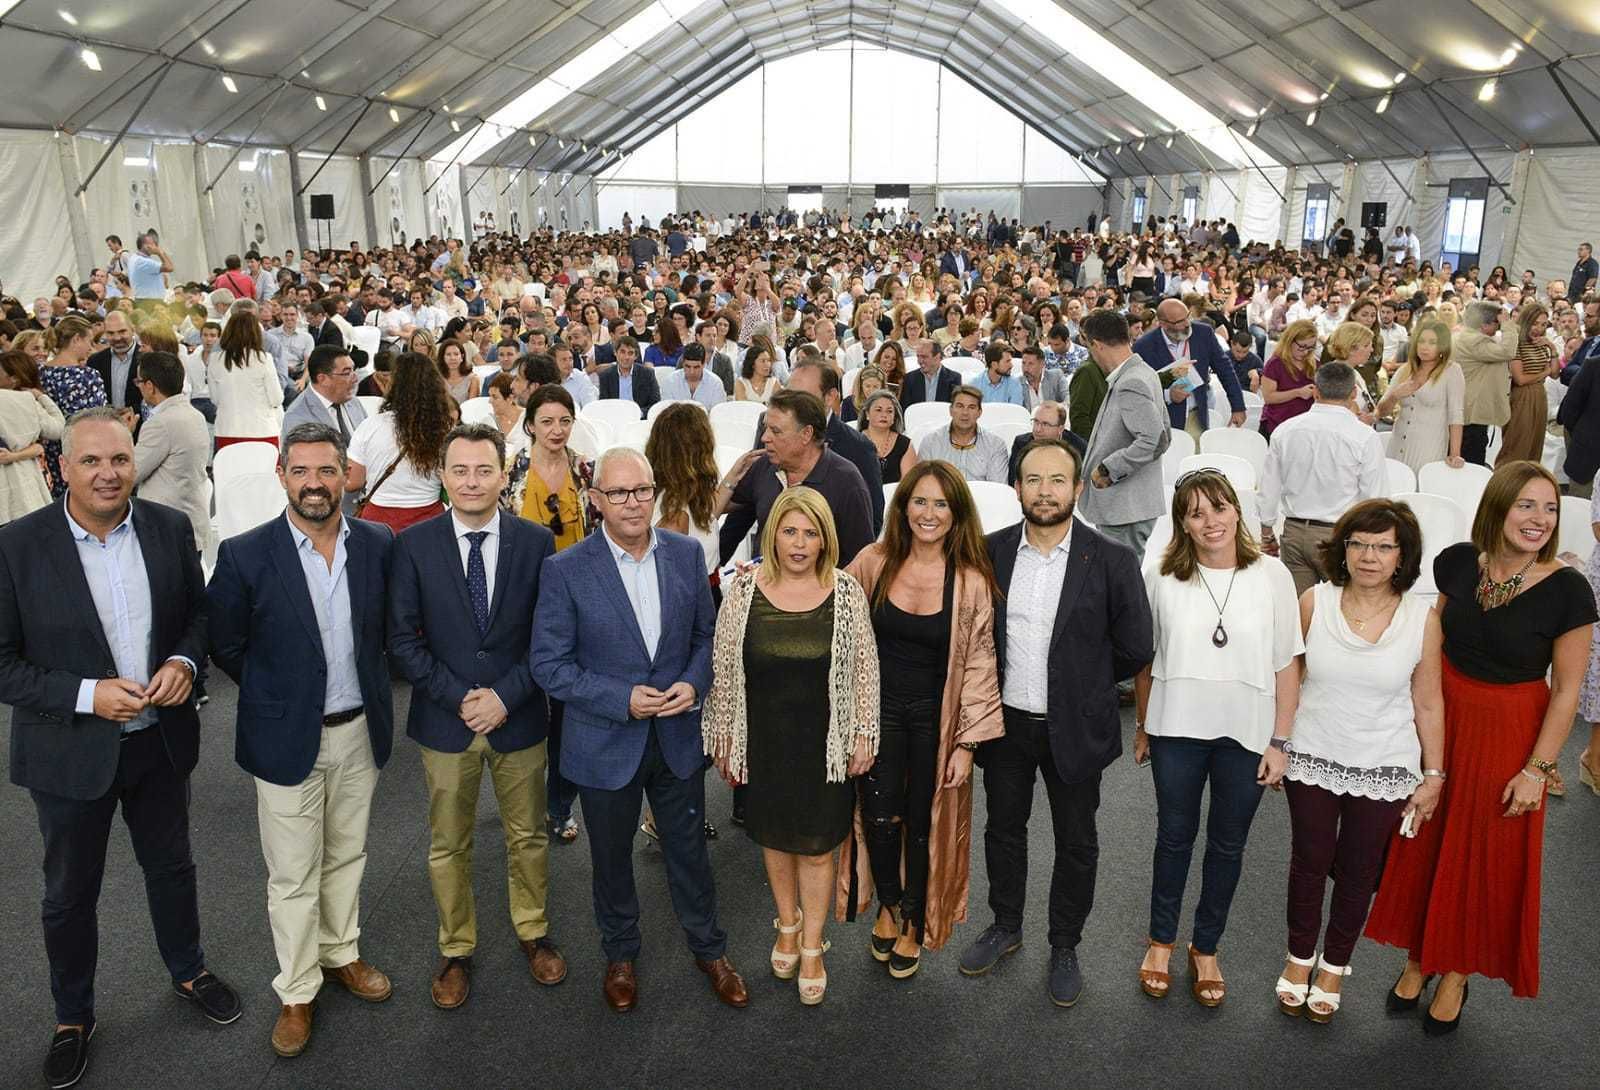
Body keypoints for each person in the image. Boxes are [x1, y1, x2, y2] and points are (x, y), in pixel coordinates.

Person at [0, 407, 239, 1089]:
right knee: (69, 893)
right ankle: (72, 1016)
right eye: (91, 461)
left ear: (136, 462)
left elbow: (198, 618)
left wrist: (186, 665)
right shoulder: (15, 547)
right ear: (62, 466)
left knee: (172, 866)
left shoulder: (167, 528)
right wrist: (86, 695)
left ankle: (188, 970)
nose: (108, 474)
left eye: (120, 460)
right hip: (69, 754)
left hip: (159, 742)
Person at [1365, 461, 1596, 1031]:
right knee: (1426, 841)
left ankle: (1459, 971)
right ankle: (1419, 956)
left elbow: (1566, 690)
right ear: (1498, 506)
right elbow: (1432, 640)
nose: (1539, 519)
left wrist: (1539, 769)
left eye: (1549, 508)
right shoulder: (1460, 564)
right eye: (1526, 505)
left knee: (1485, 856)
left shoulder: (1569, 590)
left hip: (1510, 731)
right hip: (1444, 715)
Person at [530, 448, 749, 1014]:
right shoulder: (564, 570)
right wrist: (620, 698)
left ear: (656, 492)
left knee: (690, 855)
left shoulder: (684, 554)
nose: (633, 503)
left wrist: (694, 684)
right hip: (604, 743)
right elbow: (549, 666)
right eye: (619, 493)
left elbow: (707, 637)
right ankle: (620, 954)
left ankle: (710, 950)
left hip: (677, 739)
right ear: (596, 500)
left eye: (643, 490)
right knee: (610, 859)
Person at [207, 422, 397, 1058]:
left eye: (326, 471)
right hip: (286, 737)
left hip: (358, 731)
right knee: (291, 873)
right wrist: (276, 694)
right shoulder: (245, 554)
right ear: (282, 475)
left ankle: (342, 953)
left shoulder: (376, 543)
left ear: (346, 474)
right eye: (301, 471)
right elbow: (226, 643)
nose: (314, 484)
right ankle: (296, 988)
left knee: (348, 854)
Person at [957, 437, 1152, 1006]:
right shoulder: (987, 551)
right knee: (1002, 831)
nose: (1045, 491)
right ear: (1017, 487)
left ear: (1077, 487)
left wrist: (1084, 684)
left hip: (1077, 726)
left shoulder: (1112, 559)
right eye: (1034, 480)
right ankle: (1006, 926)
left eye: (1057, 480)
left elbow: (1134, 645)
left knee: (1077, 842)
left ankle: (1065, 943)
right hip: (1006, 726)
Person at [387, 423, 566, 1009]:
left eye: (484, 470)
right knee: (448, 843)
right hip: (446, 720)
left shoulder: (536, 542)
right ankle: (456, 948)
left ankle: (533, 933)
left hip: (517, 717)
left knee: (529, 836)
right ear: (441, 475)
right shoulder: (412, 545)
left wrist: (504, 698)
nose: (471, 481)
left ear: (502, 472)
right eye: (459, 470)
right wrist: (462, 696)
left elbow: (548, 638)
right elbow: (403, 641)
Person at [1133, 468, 1302, 1008]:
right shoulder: (1159, 572)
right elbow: (1146, 658)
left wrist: (1281, 741)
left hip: (1248, 732)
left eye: (1219, 507)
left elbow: (1287, 665)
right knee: (1174, 838)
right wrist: (1141, 725)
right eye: (1196, 511)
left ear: (1237, 510)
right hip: (1175, 725)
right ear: (1181, 521)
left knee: (1228, 845)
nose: (1211, 521)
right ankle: (1160, 941)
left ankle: (1205, 947)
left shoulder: (1273, 574)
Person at [703, 489, 879, 1004]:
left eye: (810, 533)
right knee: (774, 839)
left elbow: (866, 669)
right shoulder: (742, 590)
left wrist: (864, 731)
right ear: (772, 533)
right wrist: (723, 732)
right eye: (789, 531)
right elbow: (722, 668)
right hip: (763, 740)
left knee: (820, 847)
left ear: (826, 539)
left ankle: (812, 944)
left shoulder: (846, 592)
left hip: (825, 743)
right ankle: (786, 922)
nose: (799, 544)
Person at [1274, 499, 1444, 1023]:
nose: (1370, 555)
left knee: (1358, 870)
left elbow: (1428, 699)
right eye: (1359, 543)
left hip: (1386, 762)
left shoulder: (1423, 618)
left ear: (1402, 556)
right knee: (1310, 861)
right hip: (1314, 753)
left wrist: (1434, 774)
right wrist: (1278, 744)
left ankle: (1333, 968)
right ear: (1343, 549)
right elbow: (1289, 681)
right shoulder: (1313, 602)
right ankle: (1299, 958)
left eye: (1384, 546)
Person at [835, 462, 1003, 978]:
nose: (929, 514)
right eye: (920, 502)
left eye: (941, 504)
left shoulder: (971, 581)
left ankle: (914, 920)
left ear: (956, 514)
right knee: (880, 819)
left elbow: (979, 662)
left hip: (939, 720)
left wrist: (966, 746)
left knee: (925, 826)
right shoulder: (873, 561)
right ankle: (888, 906)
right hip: (876, 715)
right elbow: (832, 617)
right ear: (903, 505)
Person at [1259, 362, 1387, 595]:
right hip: (1341, 535)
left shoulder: (1285, 430)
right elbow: (1375, 500)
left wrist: (1266, 532)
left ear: (1316, 391)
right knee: (1340, 615)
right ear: (1354, 393)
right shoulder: (1364, 436)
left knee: (1297, 619)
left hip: (1295, 532)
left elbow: (1268, 488)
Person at [718, 389, 876, 567]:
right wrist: (732, 477)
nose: (764, 438)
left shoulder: (847, 481)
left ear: (806, 434)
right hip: (763, 586)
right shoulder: (764, 466)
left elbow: (861, 561)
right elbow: (713, 512)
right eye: (765, 428)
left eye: (775, 431)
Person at [1078, 308, 1170, 556]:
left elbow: (1155, 440)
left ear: (1095, 344)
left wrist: (1108, 469)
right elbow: (1164, 435)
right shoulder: (1143, 373)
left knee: (1119, 587)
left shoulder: (1132, 380)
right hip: (1127, 507)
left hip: (1124, 508)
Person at [346, 350, 452, 531]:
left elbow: (353, 482)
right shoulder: (445, 430)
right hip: (429, 520)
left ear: (394, 385)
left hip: (378, 522)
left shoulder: (370, 426)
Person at [130, 351, 211, 551]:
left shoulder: (160, 423)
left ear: (150, 386)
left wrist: (125, 435)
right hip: (191, 520)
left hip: (165, 527)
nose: (138, 387)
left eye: (139, 382)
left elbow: (131, 473)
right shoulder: (195, 414)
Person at [1135, 298, 1246, 438]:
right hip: (1162, 422)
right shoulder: (1144, 347)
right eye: (1179, 322)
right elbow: (1139, 390)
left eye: (1187, 316)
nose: (1187, 323)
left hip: (1196, 416)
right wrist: (1168, 395)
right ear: (1163, 324)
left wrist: (1238, 407)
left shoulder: (1203, 333)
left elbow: (1225, 370)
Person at [1378, 321, 1464, 476]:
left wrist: (1455, 453)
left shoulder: (1452, 371)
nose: (1424, 347)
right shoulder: (1405, 370)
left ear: (1443, 346)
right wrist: (1395, 395)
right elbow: (1381, 412)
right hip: (1397, 444)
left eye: (1432, 342)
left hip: (1429, 447)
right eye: (1421, 341)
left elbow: (1456, 415)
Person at [39, 316, 109, 496]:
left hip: (47, 456)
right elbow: (99, 420)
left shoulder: (39, 372)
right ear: (77, 339)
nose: (91, 348)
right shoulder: (87, 376)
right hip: (80, 453)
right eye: (89, 341)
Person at [0, 349, 65, 521]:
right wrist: (41, 397)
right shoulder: (27, 401)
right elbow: (58, 429)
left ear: (14, 378)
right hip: (27, 488)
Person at [1454, 300, 1520, 466]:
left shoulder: (1463, 336)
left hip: (1466, 406)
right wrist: (1508, 324)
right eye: (1497, 323)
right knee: (1471, 460)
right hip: (1472, 411)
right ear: (1484, 324)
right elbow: (1507, 351)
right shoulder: (1475, 341)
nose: (1499, 328)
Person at [208, 310, 285, 449]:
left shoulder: (214, 359)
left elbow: (215, 399)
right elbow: (276, 399)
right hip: (261, 431)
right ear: (255, 332)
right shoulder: (264, 359)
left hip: (227, 430)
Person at [915, 385, 1010, 484]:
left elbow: (997, 488)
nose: (965, 413)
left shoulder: (995, 445)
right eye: (960, 406)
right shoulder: (930, 442)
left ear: (979, 413)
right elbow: (923, 485)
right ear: (951, 410)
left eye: (971, 407)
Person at [1496, 304, 1553, 467]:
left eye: (1543, 324)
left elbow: (1555, 372)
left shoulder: (1542, 344)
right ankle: (1502, 486)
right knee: (1516, 446)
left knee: (1534, 447)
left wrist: (1552, 347)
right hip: (1521, 398)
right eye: (1535, 323)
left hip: (1540, 397)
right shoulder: (1517, 343)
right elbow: (1520, 379)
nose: (1539, 328)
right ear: (1527, 321)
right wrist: (1544, 373)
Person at [1258, 319, 1320, 439]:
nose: (1306, 351)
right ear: (1290, 341)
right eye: (1302, 347)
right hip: (1276, 425)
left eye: (1310, 348)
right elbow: (1269, 397)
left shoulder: (1314, 364)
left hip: (1304, 427)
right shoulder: (1275, 364)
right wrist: (1298, 392)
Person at [857, 388, 918, 487]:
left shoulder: (905, 445)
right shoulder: (854, 441)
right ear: (867, 414)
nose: (884, 415)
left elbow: (908, 486)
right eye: (878, 410)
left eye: (889, 411)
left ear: (894, 418)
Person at [87, 310, 143, 417]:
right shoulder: (95, 361)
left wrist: (132, 410)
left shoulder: (148, 358)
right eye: (111, 333)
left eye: (122, 331)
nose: (117, 338)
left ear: (133, 330)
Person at [595, 335, 661, 414]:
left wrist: (638, 413)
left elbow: (655, 404)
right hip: (614, 417)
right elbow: (603, 405)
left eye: (630, 353)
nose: (626, 357)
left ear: (636, 356)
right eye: (622, 352)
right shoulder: (605, 376)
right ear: (615, 353)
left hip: (640, 418)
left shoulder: (647, 374)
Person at [658, 343, 726, 408]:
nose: (692, 372)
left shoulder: (715, 384)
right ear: (683, 363)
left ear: (703, 364)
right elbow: (666, 413)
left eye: (696, 367)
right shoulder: (670, 382)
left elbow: (717, 414)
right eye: (687, 366)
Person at [901, 338, 961, 405]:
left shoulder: (954, 378)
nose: (920, 361)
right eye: (918, 356)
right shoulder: (909, 378)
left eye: (924, 357)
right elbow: (905, 409)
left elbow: (956, 408)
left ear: (937, 357)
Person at [437, 338, 480, 403]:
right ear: (443, 358)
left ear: (462, 357)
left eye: (456, 354)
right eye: (448, 354)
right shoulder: (437, 379)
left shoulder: (473, 379)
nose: (452, 358)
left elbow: (471, 407)